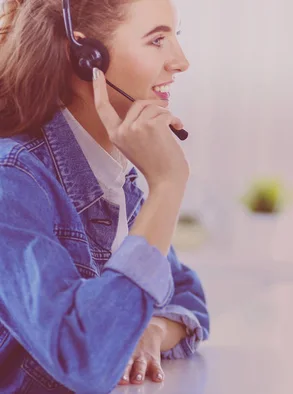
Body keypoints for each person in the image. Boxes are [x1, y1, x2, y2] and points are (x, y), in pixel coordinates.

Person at [0, 0, 210, 392]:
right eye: (157, 40)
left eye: (174, 38)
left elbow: (184, 294)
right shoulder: (13, 180)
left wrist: (150, 330)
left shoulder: (110, 177)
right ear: (85, 56)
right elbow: (83, 357)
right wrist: (166, 186)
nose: (181, 62)